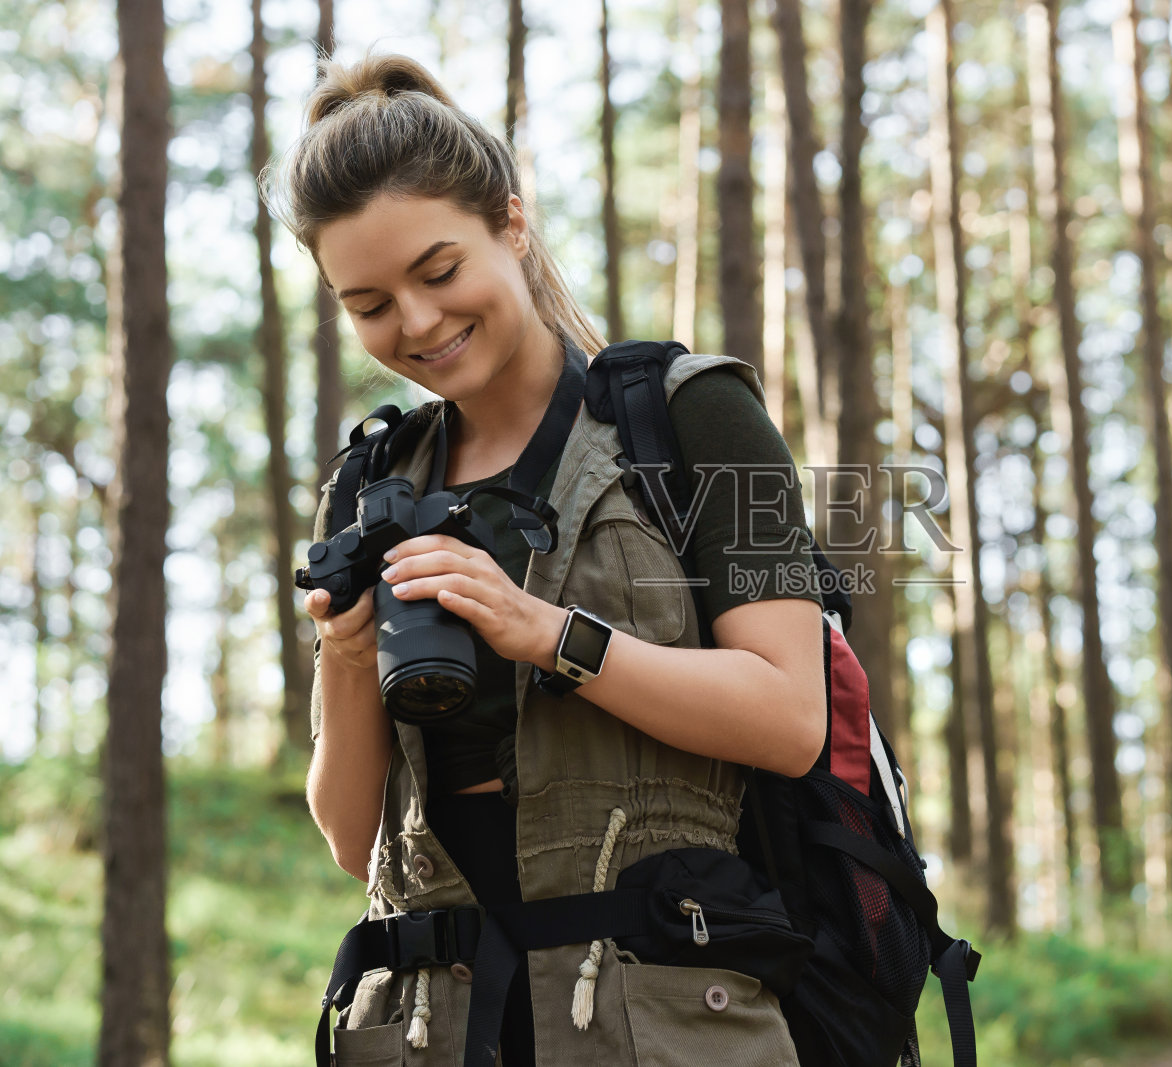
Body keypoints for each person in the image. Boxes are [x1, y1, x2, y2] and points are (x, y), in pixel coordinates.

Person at [261, 53, 826, 1066]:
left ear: (511, 224)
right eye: (370, 303)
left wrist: (548, 634)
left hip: (665, 1023)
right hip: (426, 1027)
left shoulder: (693, 416)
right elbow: (355, 839)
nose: (418, 323)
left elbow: (789, 717)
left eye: (439, 271)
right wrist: (348, 659)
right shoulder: (366, 488)